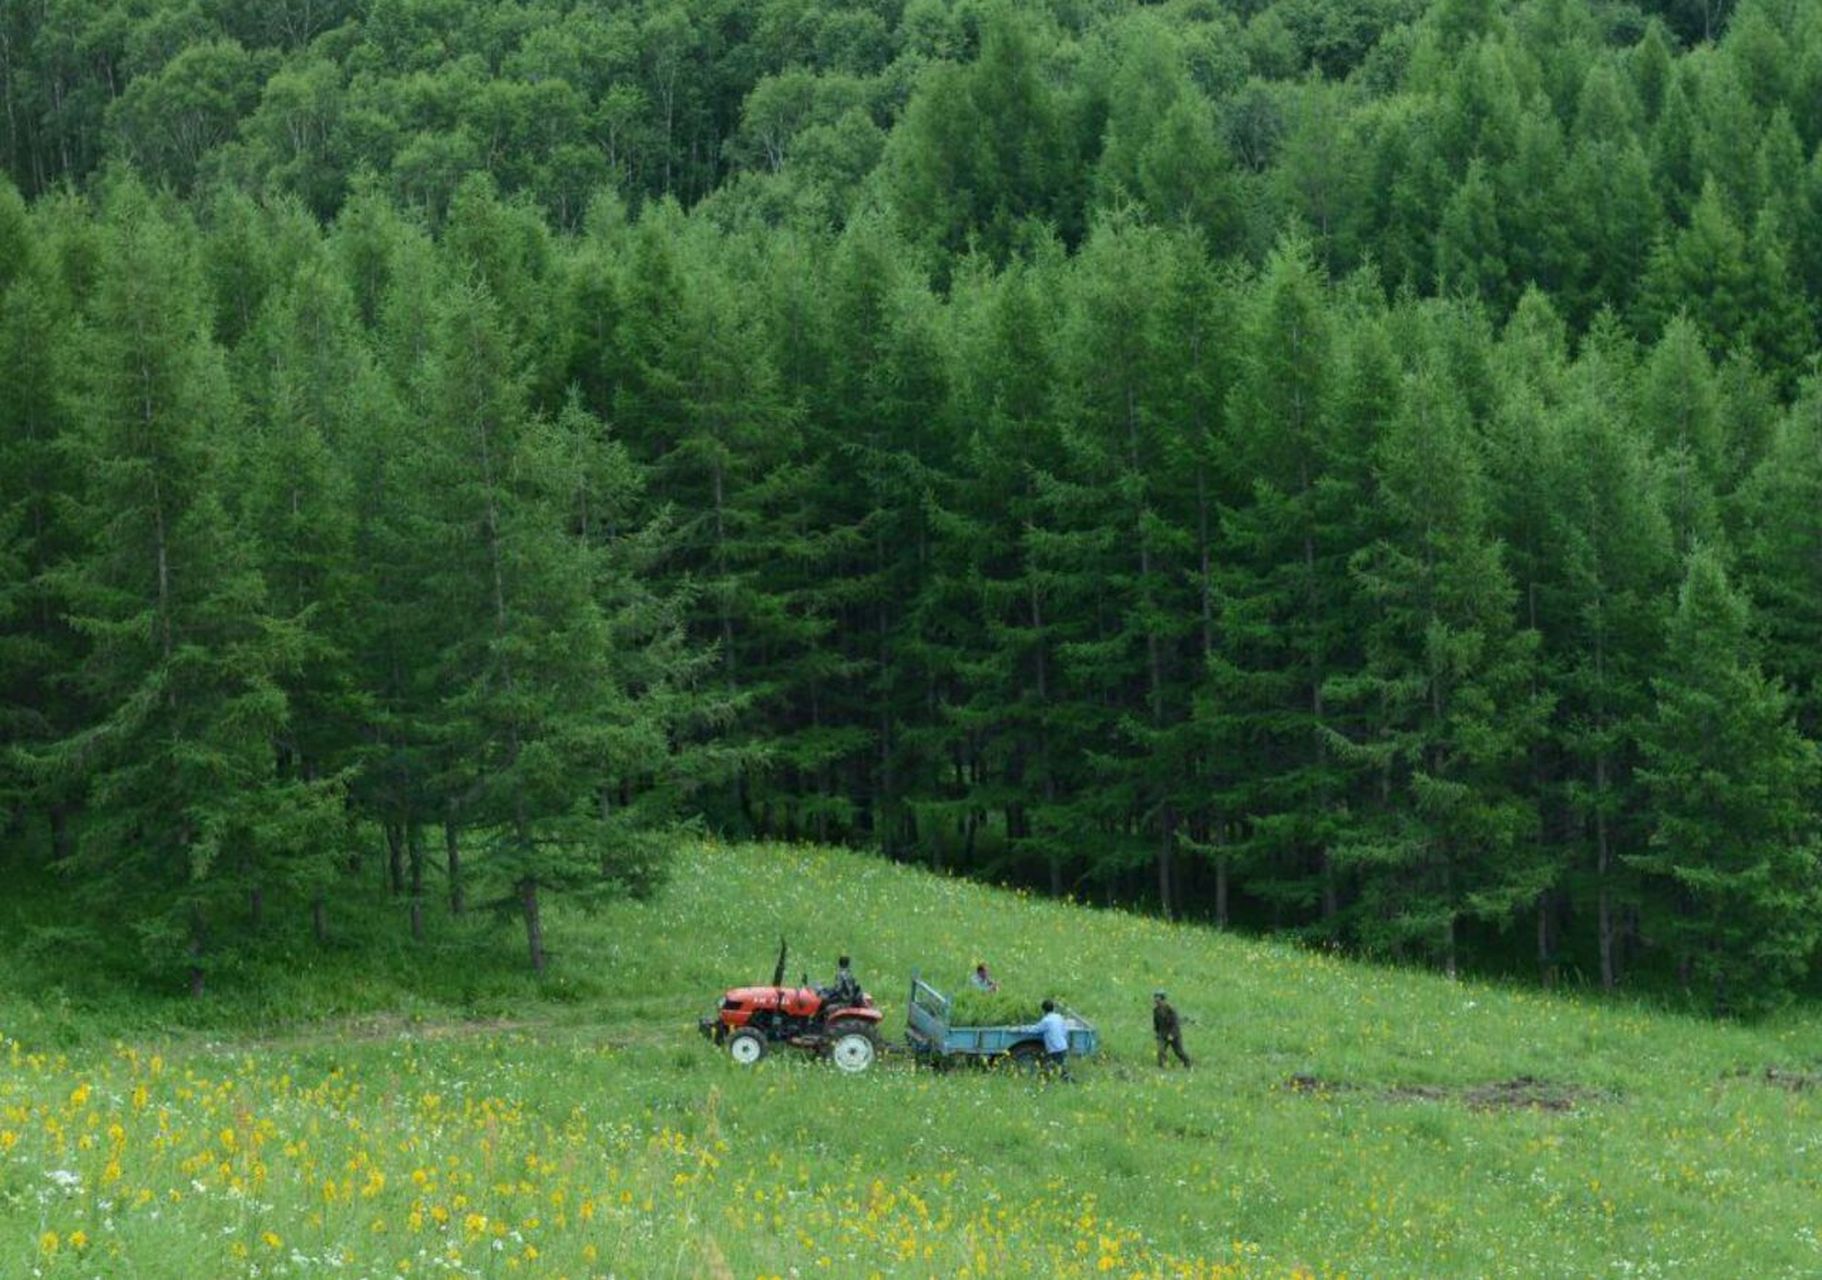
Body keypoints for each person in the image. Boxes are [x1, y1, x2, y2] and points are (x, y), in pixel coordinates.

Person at [1029, 999, 1074, 1081]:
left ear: (1043, 1010)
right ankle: (1067, 1081)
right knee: (1061, 1067)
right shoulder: (1059, 1017)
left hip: (1054, 1048)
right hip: (1063, 1046)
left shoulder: (1046, 1021)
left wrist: (1022, 1029)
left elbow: (1036, 1029)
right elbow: (1065, 1030)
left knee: (1056, 1068)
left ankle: (1067, 1082)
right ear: (1053, 1008)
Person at [1153, 991, 1191, 1069]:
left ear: (1163, 1000)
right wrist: (1157, 1033)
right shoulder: (1156, 1010)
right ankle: (1161, 1067)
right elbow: (1156, 1023)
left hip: (1174, 1035)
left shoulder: (1171, 1010)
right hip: (1162, 1034)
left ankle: (1188, 1064)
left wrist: (1172, 1035)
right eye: (1156, 1000)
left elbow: (1175, 1024)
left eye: (1159, 1000)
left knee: (1179, 1052)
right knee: (1161, 1051)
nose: (1157, 1002)